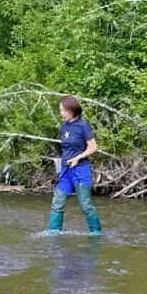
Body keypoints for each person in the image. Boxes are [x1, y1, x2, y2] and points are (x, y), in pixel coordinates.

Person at [48, 94, 101, 235]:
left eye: (61, 110)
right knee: (57, 203)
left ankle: (96, 233)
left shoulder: (83, 126)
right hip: (65, 171)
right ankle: (53, 232)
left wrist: (78, 157)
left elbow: (93, 147)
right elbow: (66, 148)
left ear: (70, 110)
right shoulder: (63, 126)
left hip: (81, 170)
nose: (60, 113)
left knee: (86, 205)